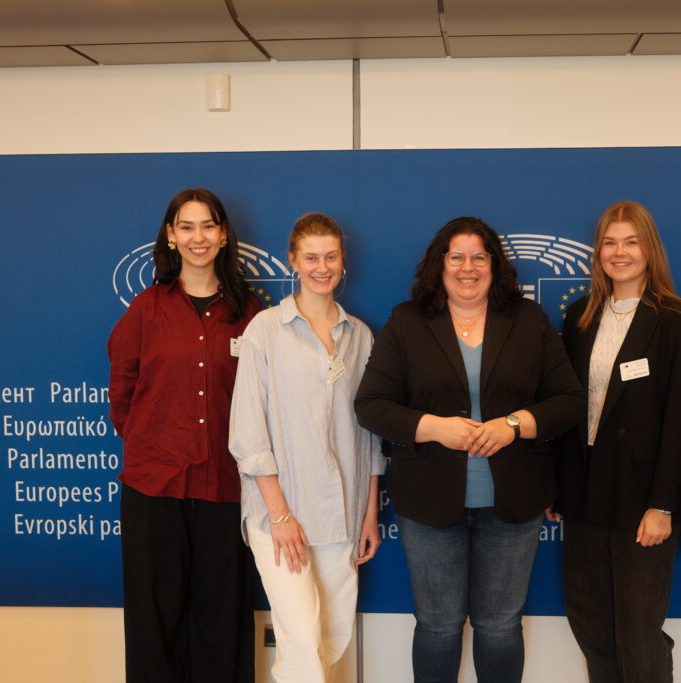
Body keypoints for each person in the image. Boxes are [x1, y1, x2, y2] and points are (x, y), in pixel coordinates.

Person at [354, 216, 585, 683]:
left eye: (479, 256)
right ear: (439, 264)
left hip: (513, 504)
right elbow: (371, 406)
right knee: (438, 626)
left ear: (494, 265)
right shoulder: (408, 321)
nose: (467, 267)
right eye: (456, 256)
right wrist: (434, 427)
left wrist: (514, 425)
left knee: (499, 626)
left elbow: (570, 401)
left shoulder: (527, 319)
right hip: (429, 502)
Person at [107, 187, 260, 683]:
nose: (199, 237)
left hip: (226, 485)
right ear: (171, 236)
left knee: (222, 618)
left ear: (223, 235)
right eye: (187, 227)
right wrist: (152, 439)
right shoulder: (147, 307)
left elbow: (263, 399)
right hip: (154, 485)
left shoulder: (251, 313)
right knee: (155, 620)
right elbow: (123, 386)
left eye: (209, 226)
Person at [229, 212, 386, 683]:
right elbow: (248, 431)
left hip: (343, 513)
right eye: (311, 257)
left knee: (330, 641)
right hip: (282, 515)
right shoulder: (264, 330)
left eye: (331, 257)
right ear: (292, 261)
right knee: (299, 643)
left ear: (343, 263)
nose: (322, 267)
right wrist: (278, 515)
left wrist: (370, 512)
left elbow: (370, 433)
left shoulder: (360, 336)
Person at [552, 200, 681, 683]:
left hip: (642, 496)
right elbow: (568, 406)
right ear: (597, 252)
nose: (620, 253)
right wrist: (558, 487)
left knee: (639, 630)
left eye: (631, 242)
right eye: (610, 242)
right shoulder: (579, 316)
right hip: (585, 491)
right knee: (591, 623)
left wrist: (663, 503)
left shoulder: (679, 320)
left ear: (649, 249)